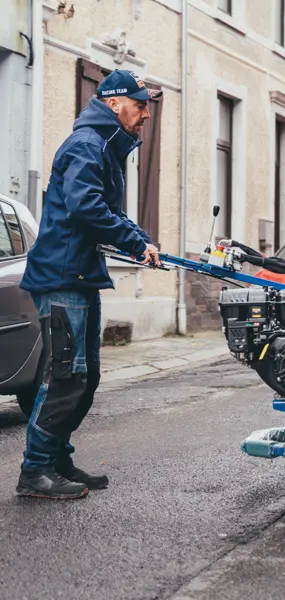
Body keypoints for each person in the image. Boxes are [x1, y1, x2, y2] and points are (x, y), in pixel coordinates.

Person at [17, 70, 162, 500]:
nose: (145, 114)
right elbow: (86, 208)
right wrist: (135, 240)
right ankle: (35, 472)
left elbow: (99, 210)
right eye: (140, 105)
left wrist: (140, 242)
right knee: (66, 376)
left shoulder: (102, 145)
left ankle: (57, 459)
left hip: (79, 275)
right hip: (62, 277)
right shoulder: (87, 144)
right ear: (114, 103)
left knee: (87, 376)